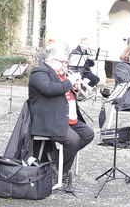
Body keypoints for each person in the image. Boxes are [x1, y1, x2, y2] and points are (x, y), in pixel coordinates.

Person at [28, 41, 94, 190]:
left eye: (66, 62)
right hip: (48, 119)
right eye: (62, 61)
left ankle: (55, 165)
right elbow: (49, 89)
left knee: (88, 134)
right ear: (50, 60)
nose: (65, 65)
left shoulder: (60, 75)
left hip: (64, 117)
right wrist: (69, 83)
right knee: (73, 140)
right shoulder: (39, 72)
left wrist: (76, 90)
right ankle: (59, 172)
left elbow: (66, 95)